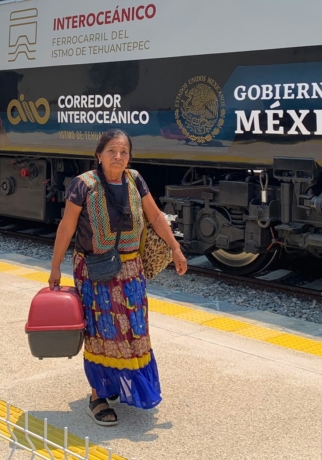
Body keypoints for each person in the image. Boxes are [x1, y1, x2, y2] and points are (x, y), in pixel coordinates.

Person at [48, 129, 187, 426]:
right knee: (103, 333)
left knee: (134, 332)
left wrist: (175, 248)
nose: (118, 156)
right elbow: (66, 227)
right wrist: (55, 267)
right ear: (99, 155)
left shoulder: (135, 180)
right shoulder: (83, 185)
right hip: (95, 272)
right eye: (112, 151)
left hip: (131, 271)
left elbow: (156, 217)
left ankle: (116, 383)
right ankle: (97, 395)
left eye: (124, 152)